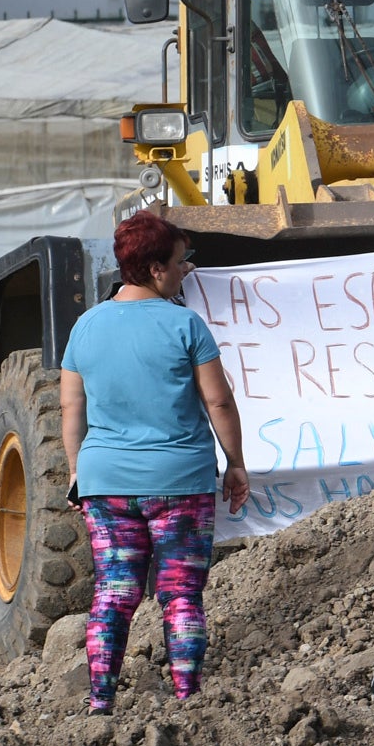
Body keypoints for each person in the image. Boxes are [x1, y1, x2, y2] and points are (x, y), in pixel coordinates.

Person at [59, 211, 251, 711]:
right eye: (179, 261)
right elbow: (220, 402)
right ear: (154, 268)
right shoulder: (186, 324)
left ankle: (100, 702)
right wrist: (235, 462)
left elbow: (71, 407)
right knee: (182, 595)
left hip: (105, 483)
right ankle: (188, 698)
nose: (186, 269)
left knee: (113, 592)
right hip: (180, 482)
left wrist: (78, 467)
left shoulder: (85, 326)